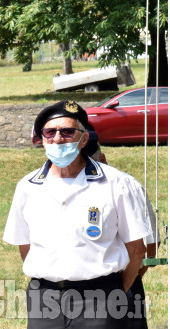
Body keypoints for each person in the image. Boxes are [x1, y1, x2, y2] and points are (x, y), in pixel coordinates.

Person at [3, 100, 151, 329]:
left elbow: (137, 249)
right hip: (45, 300)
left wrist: (115, 292)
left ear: (83, 139)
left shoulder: (116, 183)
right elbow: (25, 247)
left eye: (67, 132)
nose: (58, 139)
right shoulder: (27, 187)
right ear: (42, 140)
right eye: (50, 132)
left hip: (101, 299)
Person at [82, 128, 159, 329]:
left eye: (89, 163)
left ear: (103, 159)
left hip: (121, 289)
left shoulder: (127, 186)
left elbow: (150, 246)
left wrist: (125, 283)